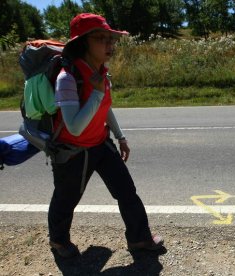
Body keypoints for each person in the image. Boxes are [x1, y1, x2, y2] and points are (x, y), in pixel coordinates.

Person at [48, 13, 163, 258]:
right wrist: (98, 92)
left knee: (126, 191)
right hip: (74, 150)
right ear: (83, 43)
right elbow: (75, 127)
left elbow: (104, 106)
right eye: (101, 39)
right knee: (66, 199)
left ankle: (140, 239)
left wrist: (120, 137)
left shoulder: (99, 72)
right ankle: (58, 242)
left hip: (101, 143)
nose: (110, 45)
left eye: (111, 39)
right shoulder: (67, 79)